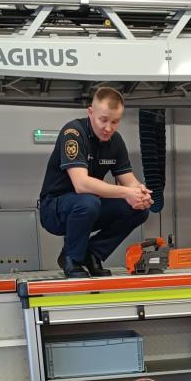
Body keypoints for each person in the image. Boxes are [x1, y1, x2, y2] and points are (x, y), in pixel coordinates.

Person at [39, 85, 152, 278]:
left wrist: (141, 194)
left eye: (115, 122)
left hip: (88, 207)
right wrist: (127, 193)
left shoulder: (116, 141)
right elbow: (81, 184)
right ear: (90, 112)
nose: (108, 128)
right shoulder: (73, 133)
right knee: (88, 201)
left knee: (137, 210)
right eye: (103, 120)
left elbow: (129, 181)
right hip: (55, 210)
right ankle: (71, 258)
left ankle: (92, 254)